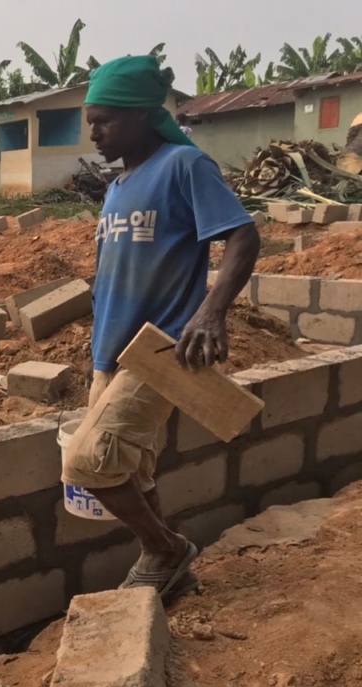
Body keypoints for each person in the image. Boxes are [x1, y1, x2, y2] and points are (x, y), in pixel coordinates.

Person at [61, 55, 259, 598]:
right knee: (135, 471)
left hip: (160, 351)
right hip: (110, 354)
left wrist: (211, 311)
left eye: (105, 120)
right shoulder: (118, 186)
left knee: (85, 464)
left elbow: (244, 236)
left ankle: (165, 549)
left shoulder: (184, 167)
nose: (94, 131)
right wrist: (95, 349)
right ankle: (175, 573)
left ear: (145, 115)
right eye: (90, 120)